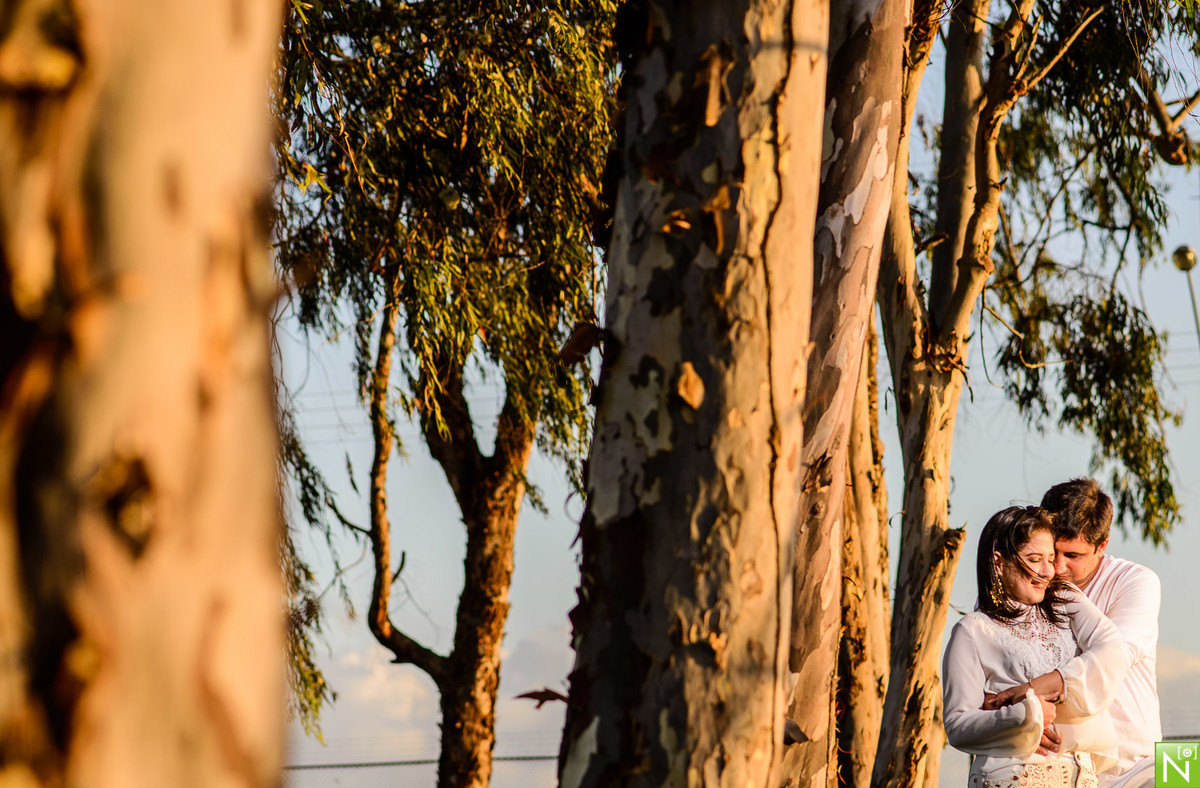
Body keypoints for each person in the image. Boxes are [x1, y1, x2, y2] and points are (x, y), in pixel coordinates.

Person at [943, 506, 1130, 788]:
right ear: (998, 562)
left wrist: (1037, 687)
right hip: (1014, 776)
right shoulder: (972, 630)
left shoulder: (1066, 600)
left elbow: (1114, 650)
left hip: (1084, 774)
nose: (1048, 571)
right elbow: (958, 726)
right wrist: (1024, 716)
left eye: (1050, 559)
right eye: (1034, 559)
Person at [1043, 478, 1161, 788]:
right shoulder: (1022, 586)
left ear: (1102, 545)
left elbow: (1114, 657)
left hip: (1141, 764)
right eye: (1052, 551)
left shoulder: (1137, 581)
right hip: (1059, 769)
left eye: (1073, 555)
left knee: (1192, 771)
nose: (1056, 567)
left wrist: (1035, 688)